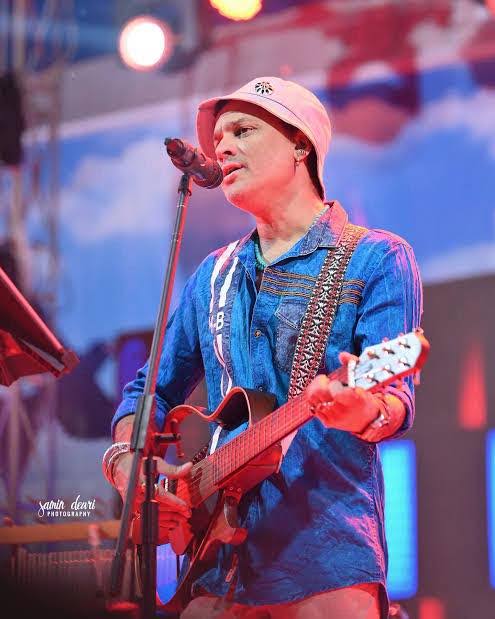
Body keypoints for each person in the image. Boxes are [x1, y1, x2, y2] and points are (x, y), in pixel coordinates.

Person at [104, 77, 422, 619]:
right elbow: (148, 393)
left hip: (325, 559)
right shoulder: (213, 276)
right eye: (218, 138)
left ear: (300, 144)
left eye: (243, 131)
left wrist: (361, 409)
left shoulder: (376, 258)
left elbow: (394, 404)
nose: (222, 148)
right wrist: (128, 467)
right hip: (215, 566)